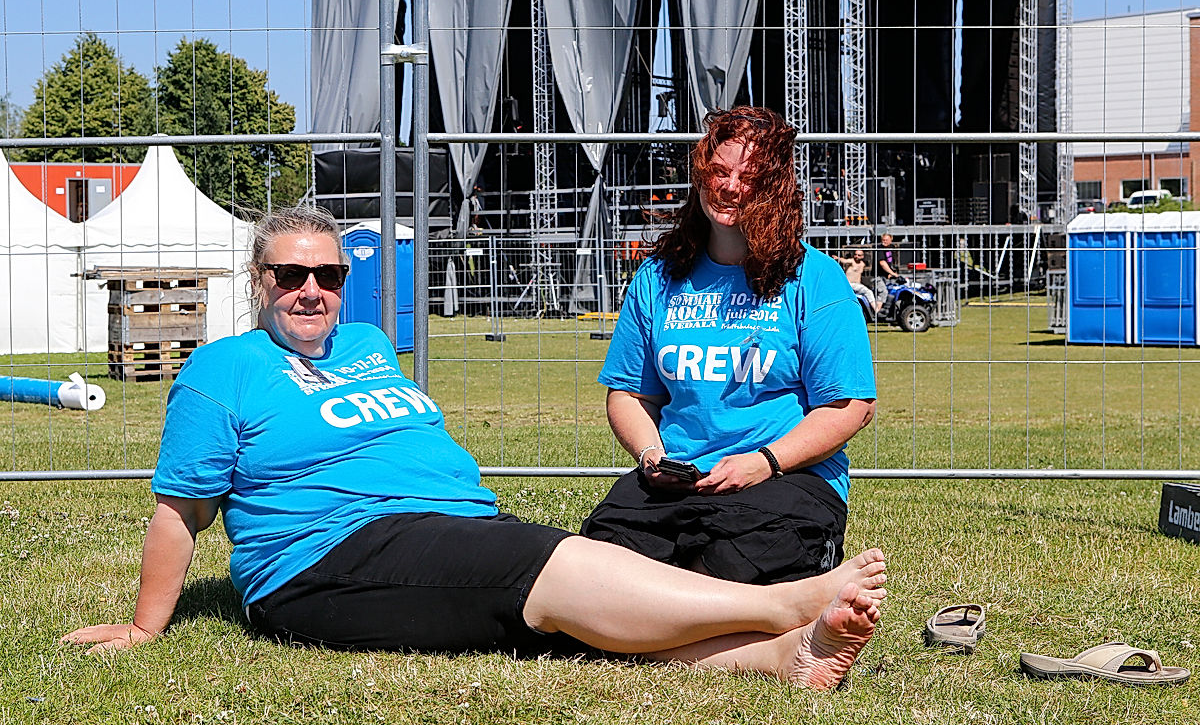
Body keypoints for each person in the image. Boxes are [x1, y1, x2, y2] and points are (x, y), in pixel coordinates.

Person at [61, 205, 886, 690]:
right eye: (289, 275)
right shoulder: (222, 370)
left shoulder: (366, 345)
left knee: (562, 614)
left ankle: (777, 658)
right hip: (326, 558)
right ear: (258, 280)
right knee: (549, 565)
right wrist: (144, 628)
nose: (311, 290)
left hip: (442, 525)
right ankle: (784, 605)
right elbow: (180, 511)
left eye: (329, 274)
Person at [580, 107, 878, 586]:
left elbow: (850, 407)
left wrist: (764, 462)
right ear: (700, 178)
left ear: (775, 189)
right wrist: (650, 455)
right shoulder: (656, 279)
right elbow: (629, 395)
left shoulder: (815, 279)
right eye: (719, 171)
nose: (730, 187)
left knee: (728, 568)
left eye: (750, 176)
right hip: (679, 479)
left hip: (783, 479)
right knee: (597, 571)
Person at [835, 248, 881, 313]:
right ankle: (876, 311)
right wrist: (838, 258)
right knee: (868, 292)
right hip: (850, 284)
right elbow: (844, 261)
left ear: (863, 256)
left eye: (859, 255)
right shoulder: (851, 261)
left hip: (857, 285)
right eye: (855, 254)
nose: (856, 256)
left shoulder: (862, 264)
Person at [873, 233, 902, 301]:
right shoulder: (879, 249)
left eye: (886, 240)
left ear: (890, 241)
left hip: (887, 276)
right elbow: (882, 263)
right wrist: (893, 273)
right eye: (883, 240)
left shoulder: (891, 248)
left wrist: (892, 273)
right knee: (883, 293)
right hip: (878, 276)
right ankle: (877, 311)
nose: (884, 241)